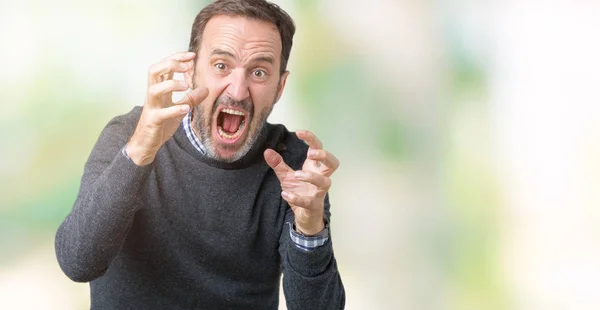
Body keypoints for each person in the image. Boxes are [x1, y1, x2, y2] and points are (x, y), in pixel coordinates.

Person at [54, 0, 345, 309]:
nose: (237, 90)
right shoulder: (129, 136)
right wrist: (140, 150)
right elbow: (78, 262)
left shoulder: (295, 166)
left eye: (259, 72)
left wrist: (310, 226)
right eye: (221, 65)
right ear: (191, 71)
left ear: (279, 87)